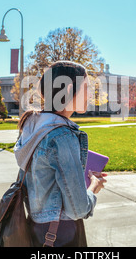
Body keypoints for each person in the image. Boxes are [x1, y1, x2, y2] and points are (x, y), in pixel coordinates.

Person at [14, 61, 107, 247]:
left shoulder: (33, 125)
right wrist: (93, 187)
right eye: (87, 87)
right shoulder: (62, 135)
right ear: (70, 89)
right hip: (61, 234)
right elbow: (78, 209)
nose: (90, 94)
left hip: (36, 227)